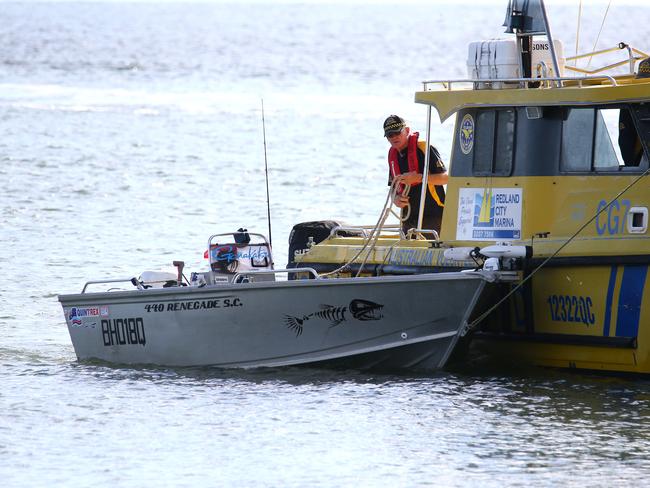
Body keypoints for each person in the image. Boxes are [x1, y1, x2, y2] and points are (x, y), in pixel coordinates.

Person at [383, 114, 448, 236]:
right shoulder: (393, 155)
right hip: (408, 220)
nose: (394, 137)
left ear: (407, 130)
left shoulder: (424, 148)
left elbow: (446, 178)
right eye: (390, 135)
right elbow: (392, 187)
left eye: (398, 133)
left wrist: (420, 178)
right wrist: (395, 199)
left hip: (433, 217)